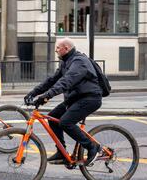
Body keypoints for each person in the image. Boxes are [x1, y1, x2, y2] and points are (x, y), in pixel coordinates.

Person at [24, 38, 103, 167]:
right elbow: (52, 80)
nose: (56, 50)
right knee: (53, 117)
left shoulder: (79, 61)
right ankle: (62, 152)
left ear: (66, 48)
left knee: (66, 122)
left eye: (58, 48)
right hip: (75, 98)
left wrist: (46, 97)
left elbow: (66, 81)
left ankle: (93, 147)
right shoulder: (65, 62)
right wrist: (33, 93)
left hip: (90, 98)